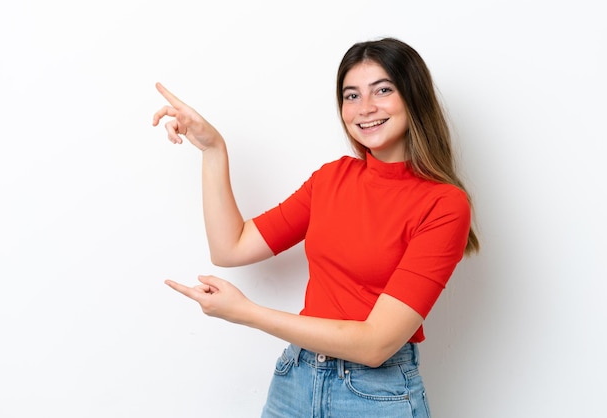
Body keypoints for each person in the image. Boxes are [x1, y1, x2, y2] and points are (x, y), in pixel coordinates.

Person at [152, 37, 479, 418]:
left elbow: (376, 344)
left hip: (375, 395)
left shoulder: (444, 205)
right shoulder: (332, 179)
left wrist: (247, 313)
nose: (365, 108)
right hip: (296, 381)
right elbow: (231, 246)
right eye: (351, 95)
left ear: (413, 97)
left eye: (383, 90)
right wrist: (213, 150)